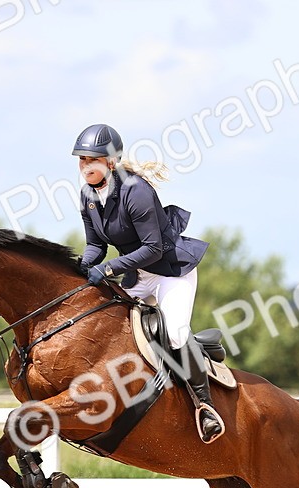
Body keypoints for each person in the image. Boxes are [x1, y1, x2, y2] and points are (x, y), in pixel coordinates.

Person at [72, 123, 224, 444]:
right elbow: (96, 245)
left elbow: (153, 248)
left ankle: (205, 407)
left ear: (111, 161)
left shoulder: (136, 191)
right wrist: (79, 267)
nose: (86, 166)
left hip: (171, 271)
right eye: (82, 160)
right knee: (102, 320)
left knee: (176, 333)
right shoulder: (87, 195)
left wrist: (108, 268)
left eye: (92, 160)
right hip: (136, 275)